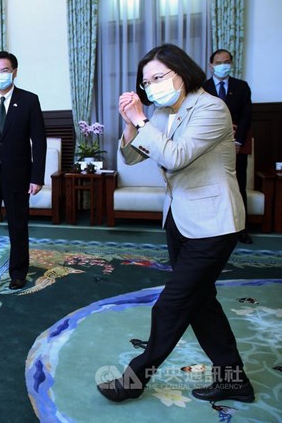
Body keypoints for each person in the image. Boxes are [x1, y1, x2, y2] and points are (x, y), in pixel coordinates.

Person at [96, 44, 254, 404]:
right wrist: (130, 124)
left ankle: (133, 381)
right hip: (180, 220)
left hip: (214, 224)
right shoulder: (164, 111)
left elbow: (176, 156)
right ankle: (235, 381)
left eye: (158, 77)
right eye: (146, 81)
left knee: (170, 306)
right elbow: (133, 156)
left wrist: (142, 120)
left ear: (182, 72)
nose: (151, 86)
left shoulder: (211, 108)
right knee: (201, 303)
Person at [0, 51, 46, 295]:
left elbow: (39, 141)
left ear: (14, 71)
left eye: (4, 70)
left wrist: (37, 177)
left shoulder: (29, 100)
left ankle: (18, 274)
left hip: (18, 175)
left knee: (17, 226)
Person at [202, 49, 253, 244]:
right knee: (211, 185)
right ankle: (213, 228)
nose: (223, 65)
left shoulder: (241, 87)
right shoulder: (203, 88)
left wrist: (238, 141)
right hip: (210, 147)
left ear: (231, 63)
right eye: (218, 62)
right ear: (211, 65)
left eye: (227, 61)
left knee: (238, 185)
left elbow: (247, 116)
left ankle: (241, 229)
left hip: (236, 145)